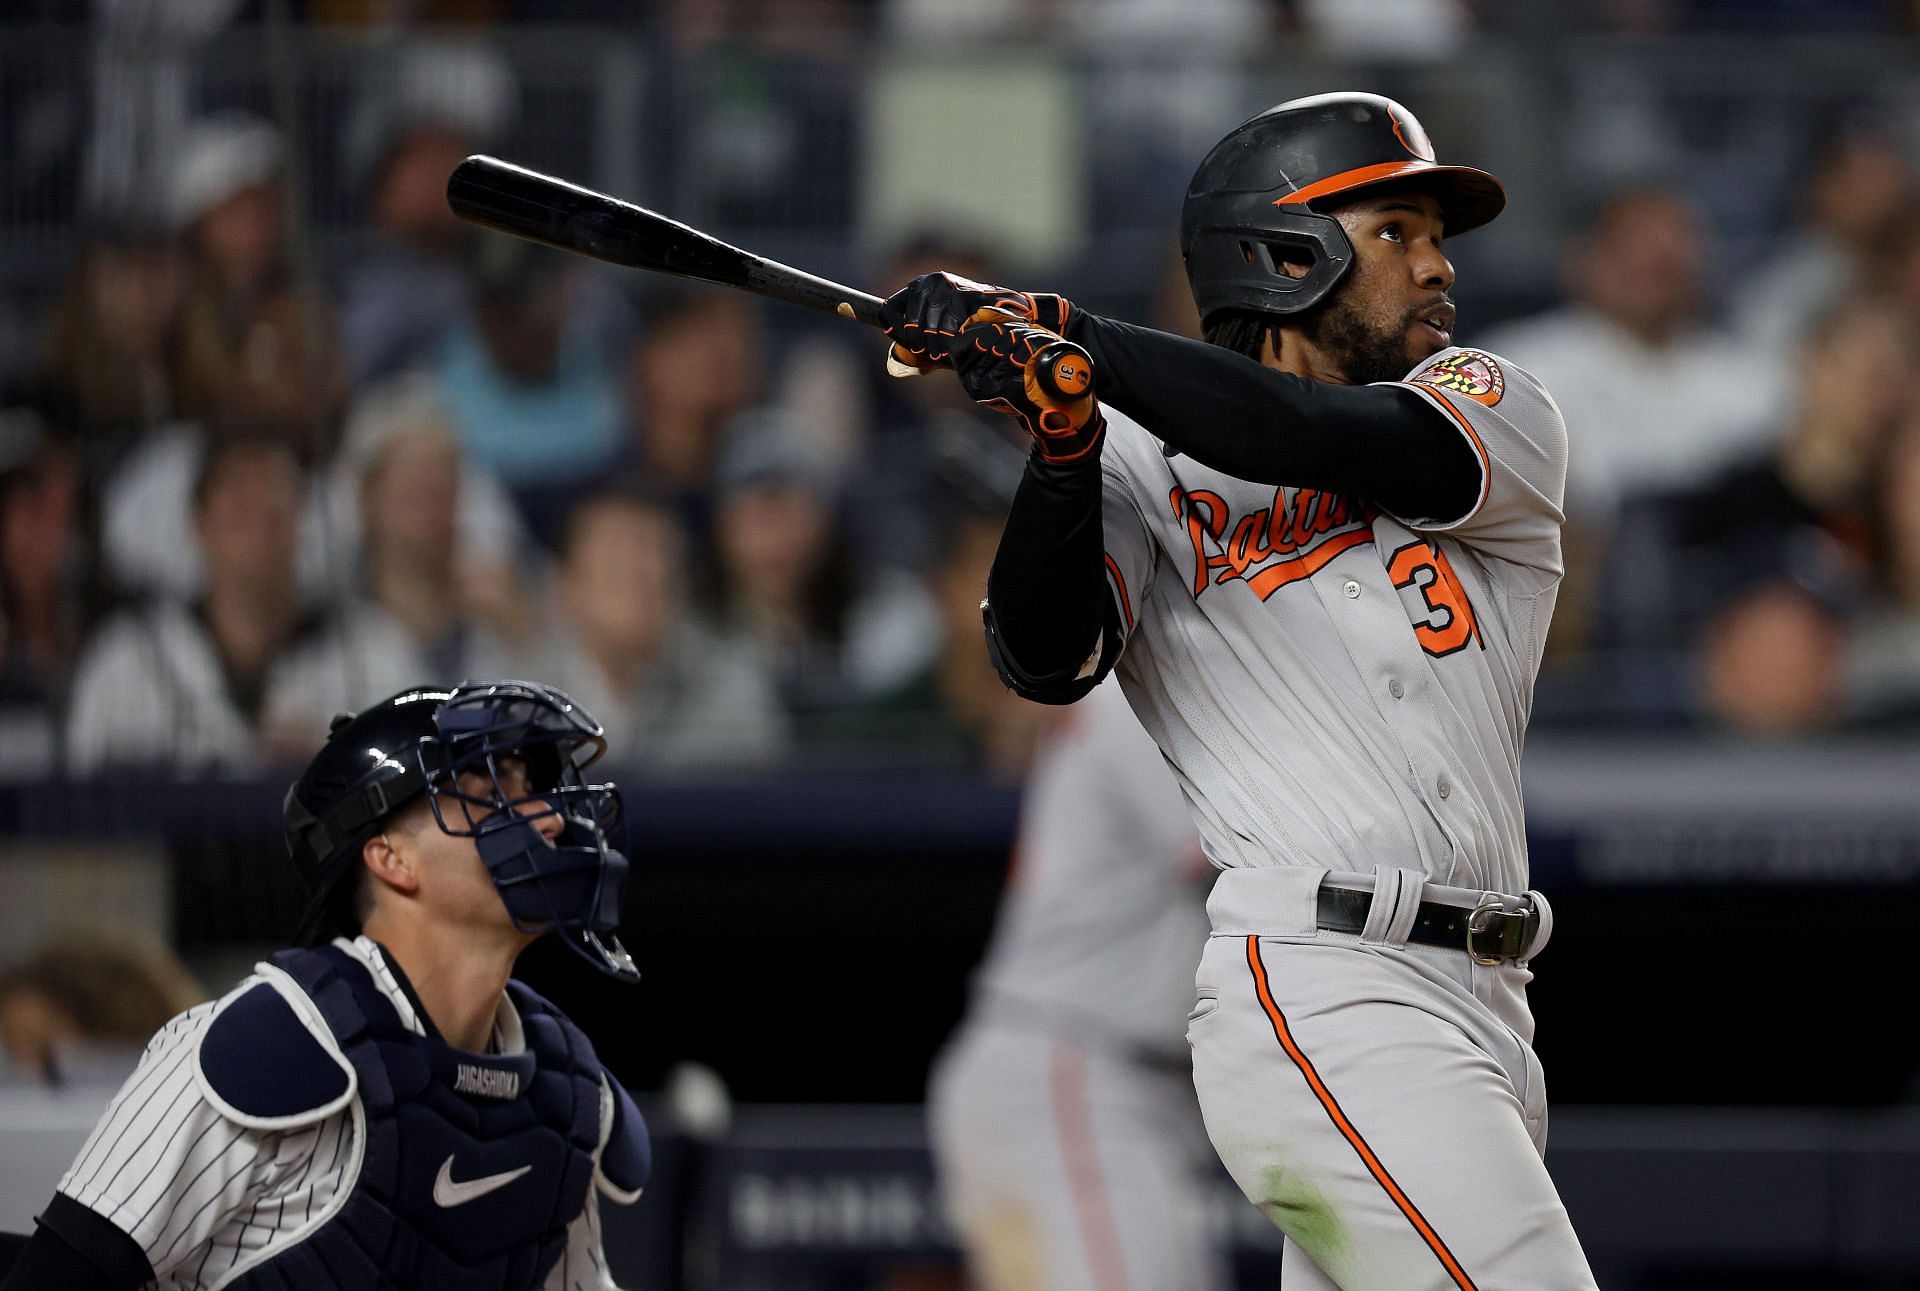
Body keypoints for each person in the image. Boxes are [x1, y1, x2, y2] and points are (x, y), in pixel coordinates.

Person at [883, 92, 1597, 1288]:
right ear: (1281, 254)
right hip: (1325, 983)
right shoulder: (1130, 454)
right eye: (1396, 231)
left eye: (1438, 237)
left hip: (1491, 1000)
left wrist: (1084, 348)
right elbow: (1045, 658)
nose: (1437, 266)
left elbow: (1312, 435)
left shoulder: (1495, 402)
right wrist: (1063, 443)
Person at [0, 680, 650, 1289]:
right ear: (390, 855)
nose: (547, 818)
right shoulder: (267, 1046)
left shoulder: (565, 1088)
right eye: (485, 782)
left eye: (531, 784)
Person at [928, 679, 1227, 1291]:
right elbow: (1233, 858)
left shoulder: (1141, 695)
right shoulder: (1134, 699)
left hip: (1099, 1081)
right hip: (1068, 1073)